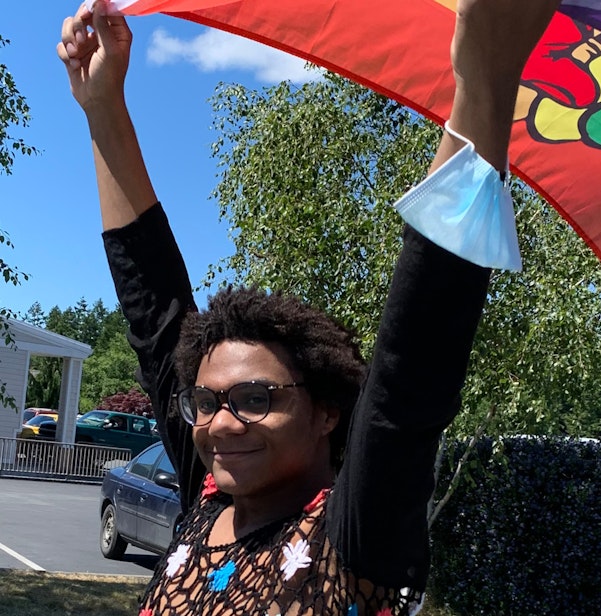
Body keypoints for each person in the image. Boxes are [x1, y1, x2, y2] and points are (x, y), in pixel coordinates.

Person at [59, 0, 561, 614]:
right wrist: (103, 107)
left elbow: (417, 354)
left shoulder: (351, 538)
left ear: (325, 411)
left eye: (254, 399)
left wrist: (485, 80)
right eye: (206, 402)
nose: (219, 424)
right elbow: (152, 307)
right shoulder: (209, 501)